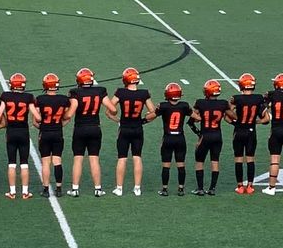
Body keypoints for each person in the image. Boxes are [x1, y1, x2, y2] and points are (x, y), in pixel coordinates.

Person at [68, 68, 112, 197]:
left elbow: (70, 113)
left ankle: (75, 189)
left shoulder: (75, 92)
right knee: (94, 159)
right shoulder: (99, 91)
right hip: (95, 128)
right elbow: (112, 109)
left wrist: (63, 116)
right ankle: (98, 189)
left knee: (78, 159)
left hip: (80, 128)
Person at [111, 68, 154, 197]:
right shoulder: (143, 93)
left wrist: (116, 119)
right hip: (137, 128)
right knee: (137, 157)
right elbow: (153, 112)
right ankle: (137, 188)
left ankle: (119, 188)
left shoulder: (121, 92)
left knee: (122, 158)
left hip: (124, 128)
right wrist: (143, 121)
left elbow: (110, 108)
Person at [150, 83, 191, 196]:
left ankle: (164, 189)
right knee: (181, 164)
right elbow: (196, 118)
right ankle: (181, 189)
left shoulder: (163, 106)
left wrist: (144, 118)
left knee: (166, 165)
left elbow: (151, 116)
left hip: (168, 138)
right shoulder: (184, 105)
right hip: (180, 138)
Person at [228, 73, 265, 194]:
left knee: (238, 159)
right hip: (251, 131)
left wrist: (236, 121)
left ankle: (240, 186)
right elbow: (267, 118)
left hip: (239, 131)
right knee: (250, 159)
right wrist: (257, 121)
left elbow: (227, 114)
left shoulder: (236, 98)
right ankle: (250, 186)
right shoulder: (258, 98)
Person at [190, 80, 228, 196]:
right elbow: (233, 117)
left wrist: (199, 134)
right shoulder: (223, 103)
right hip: (217, 136)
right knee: (215, 161)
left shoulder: (200, 103)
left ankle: (200, 188)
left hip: (205, 136)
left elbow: (191, 121)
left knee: (199, 161)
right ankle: (212, 188)